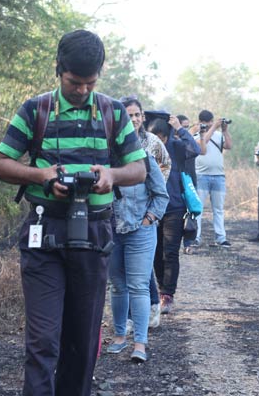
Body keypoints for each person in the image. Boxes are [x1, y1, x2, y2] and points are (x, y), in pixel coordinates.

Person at [0, 29, 146, 396]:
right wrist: (42, 175)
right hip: (45, 233)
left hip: (94, 235)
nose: (82, 90)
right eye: (74, 83)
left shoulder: (113, 111)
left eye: (89, 83)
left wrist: (111, 174)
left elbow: (138, 170)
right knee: (43, 339)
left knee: (83, 339)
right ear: (58, 70)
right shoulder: (36, 109)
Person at [107, 147, 169, 363]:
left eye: (135, 115)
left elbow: (161, 194)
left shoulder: (144, 159)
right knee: (117, 285)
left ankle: (140, 344)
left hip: (140, 231)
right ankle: (119, 336)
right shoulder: (103, 155)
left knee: (139, 285)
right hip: (110, 231)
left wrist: (149, 219)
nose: (132, 120)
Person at [119, 96, 172, 331]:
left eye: (137, 115)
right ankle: (129, 318)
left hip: (146, 213)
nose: (133, 119)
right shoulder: (114, 141)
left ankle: (149, 310)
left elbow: (165, 163)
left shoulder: (150, 141)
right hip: (120, 215)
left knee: (142, 268)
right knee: (122, 276)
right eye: (128, 115)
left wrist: (153, 199)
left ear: (143, 117)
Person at [149, 115, 200, 313]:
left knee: (170, 253)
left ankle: (167, 295)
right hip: (152, 208)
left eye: (161, 137)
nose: (158, 141)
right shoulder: (144, 149)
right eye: (155, 137)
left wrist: (180, 128)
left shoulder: (177, 146)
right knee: (155, 252)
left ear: (167, 135)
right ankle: (161, 288)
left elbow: (195, 149)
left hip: (174, 207)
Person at [193, 109, 232, 248]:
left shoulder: (218, 134)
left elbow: (229, 145)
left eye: (211, 122)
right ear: (200, 122)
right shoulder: (195, 135)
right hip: (201, 176)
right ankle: (195, 237)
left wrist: (224, 130)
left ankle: (221, 238)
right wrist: (213, 128)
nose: (209, 124)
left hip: (218, 176)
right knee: (198, 209)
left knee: (218, 209)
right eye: (206, 123)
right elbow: (203, 143)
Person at [177, 114, 198, 255]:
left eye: (187, 127)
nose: (186, 130)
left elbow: (196, 149)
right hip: (176, 181)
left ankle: (189, 242)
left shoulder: (189, 142)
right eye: (183, 127)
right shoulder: (173, 143)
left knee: (191, 212)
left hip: (189, 180)